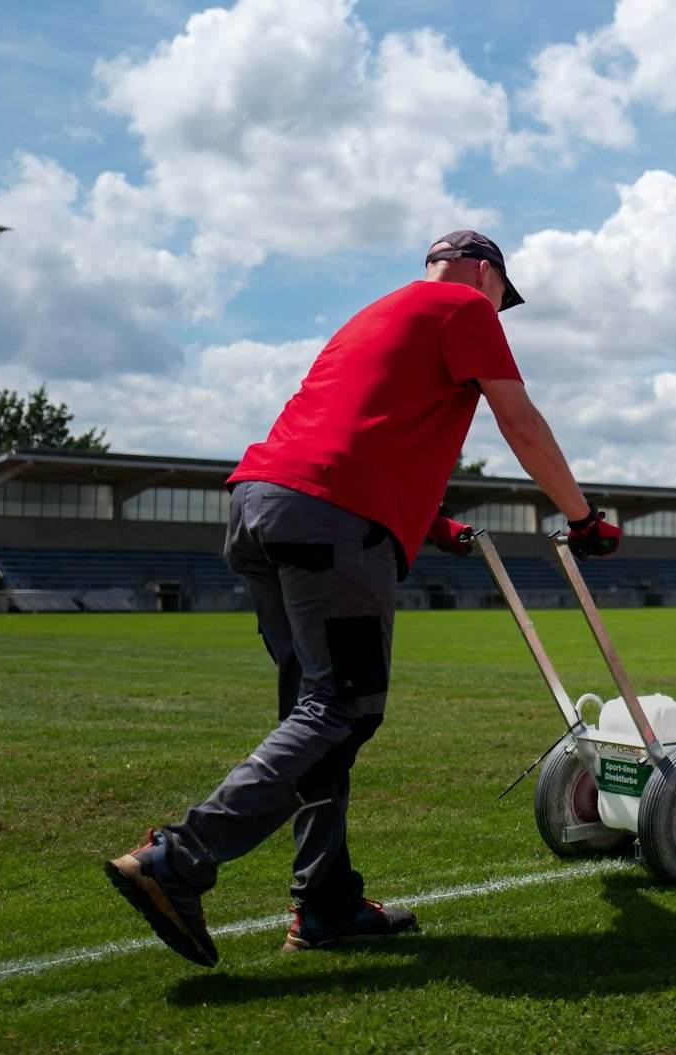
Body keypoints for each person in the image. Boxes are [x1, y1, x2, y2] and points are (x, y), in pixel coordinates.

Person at [105, 230, 621, 967]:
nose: (499, 314)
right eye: (503, 297)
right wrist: (582, 517)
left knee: (316, 719)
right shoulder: (462, 307)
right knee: (343, 708)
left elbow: (361, 427)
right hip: (330, 520)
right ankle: (177, 857)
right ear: (482, 271)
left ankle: (326, 904)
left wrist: (428, 519)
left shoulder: (375, 315)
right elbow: (520, 421)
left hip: (263, 508)